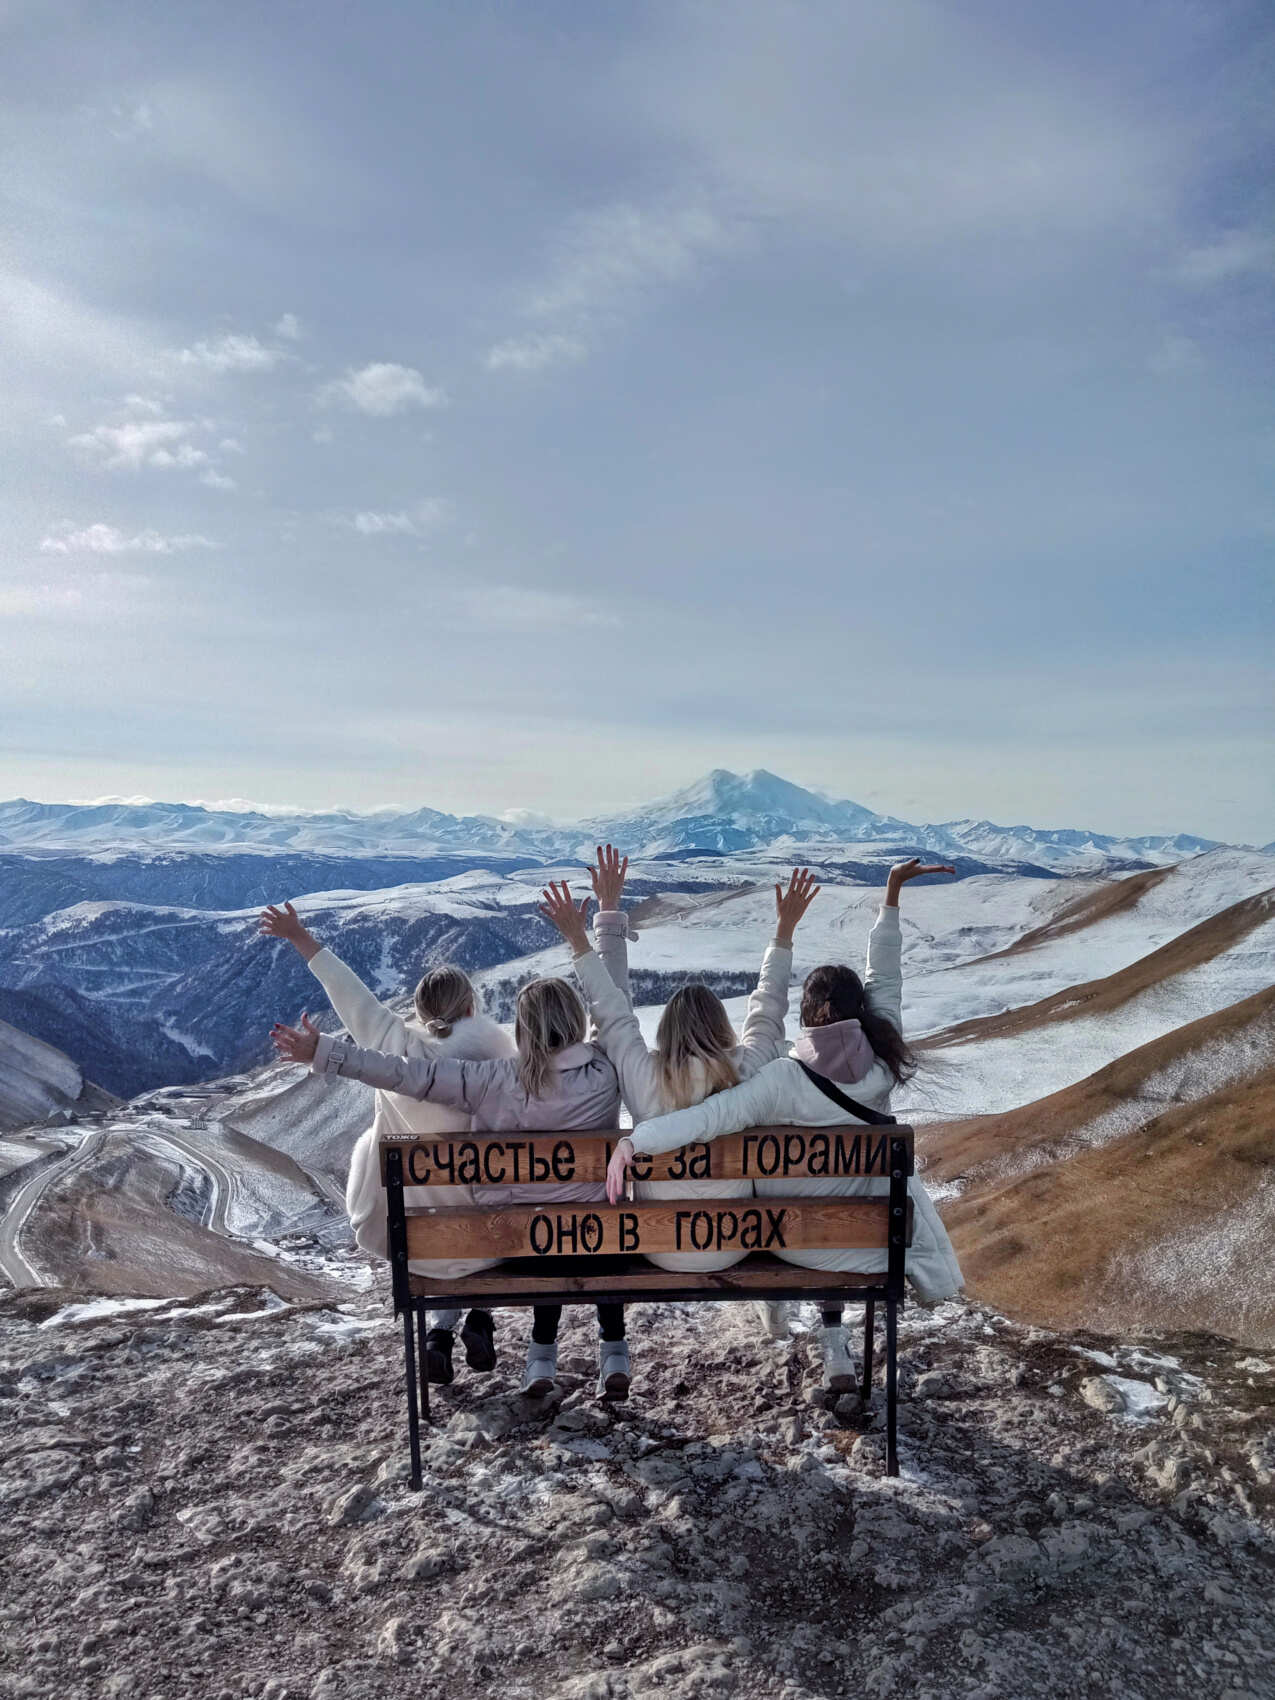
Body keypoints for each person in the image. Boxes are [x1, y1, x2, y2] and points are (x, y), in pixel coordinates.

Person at [604, 859, 964, 1394]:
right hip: (864, 1243)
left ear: (810, 1012)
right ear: (862, 1013)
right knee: (841, 1196)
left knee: (781, 1195)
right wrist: (889, 897)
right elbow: (886, 982)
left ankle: (783, 1311)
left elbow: (710, 1118)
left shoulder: (782, 1078)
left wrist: (639, 1139)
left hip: (787, 1239)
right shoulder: (883, 1062)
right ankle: (836, 1347)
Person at [270, 946, 630, 1400]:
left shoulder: (498, 1079)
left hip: (525, 1245)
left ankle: (540, 1360)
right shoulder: (605, 1069)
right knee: (584, 1228)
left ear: (523, 1029)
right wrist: (601, 931)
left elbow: (405, 1075)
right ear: (577, 1023)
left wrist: (323, 1052)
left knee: (543, 1231)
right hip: (604, 1240)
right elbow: (617, 1012)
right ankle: (614, 1352)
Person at [259, 900, 515, 1388]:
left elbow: (352, 997)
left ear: (418, 1013)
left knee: (436, 1223)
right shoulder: (502, 1058)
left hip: (414, 1241)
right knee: (484, 1222)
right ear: (469, 1008)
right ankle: (479, 1317)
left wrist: (300, 937)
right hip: (496, 1237)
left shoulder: (398, 1050)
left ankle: (441, 1333)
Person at [540, 848, 820, 1277]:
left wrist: (593, 930)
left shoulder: (645, 1076)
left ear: (667, 1029)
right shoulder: (746, 1070)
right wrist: (784, 932)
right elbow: (768, 1010)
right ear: (722, 1027)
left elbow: (612, 1012)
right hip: (735, 1244)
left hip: (659, 1245)